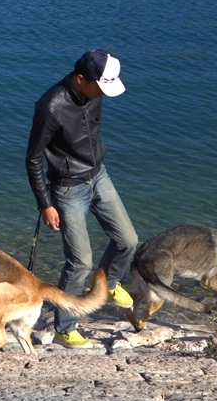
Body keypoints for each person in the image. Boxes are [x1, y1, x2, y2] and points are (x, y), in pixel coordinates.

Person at [25, 49, 139, 347]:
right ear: (80, 79)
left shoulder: (94, 92)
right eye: (101, 86)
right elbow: (33, 159)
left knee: (127, 240)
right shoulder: (50, 107)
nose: (103, 92)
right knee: (80, 262)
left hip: (98, 174)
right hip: (67, 187)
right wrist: (45, 204)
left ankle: (108, 284)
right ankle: (64, 327)